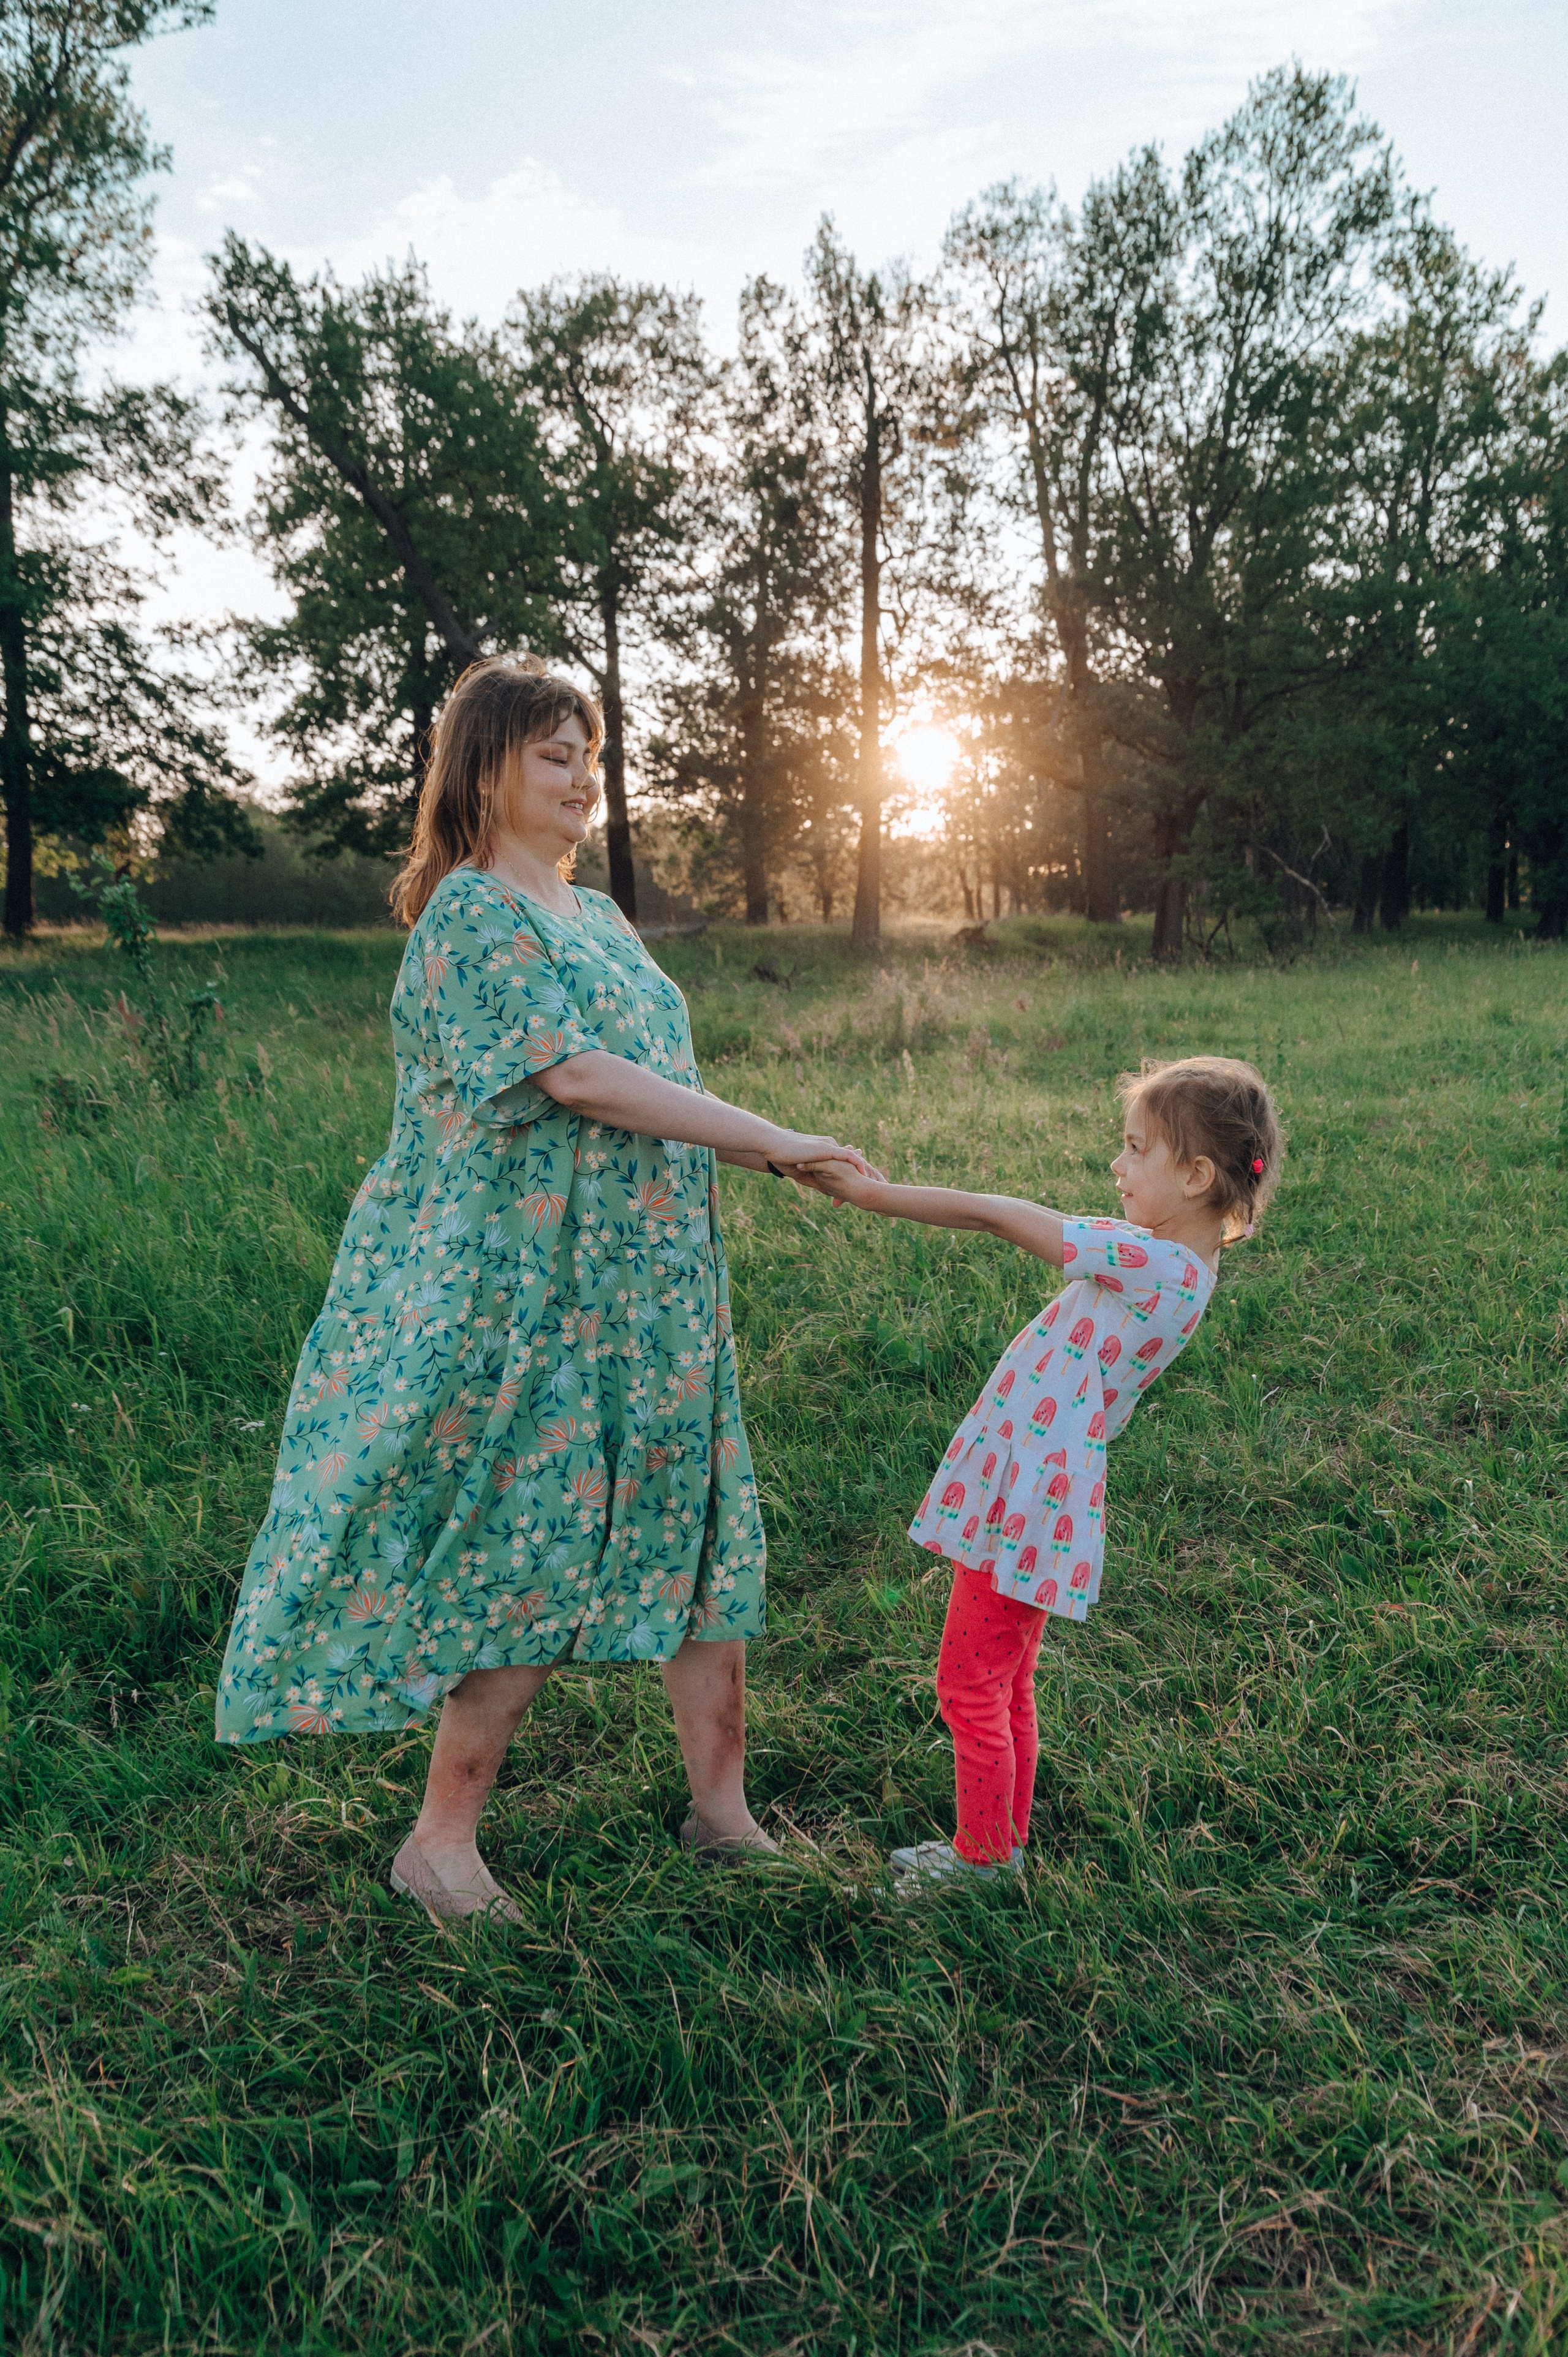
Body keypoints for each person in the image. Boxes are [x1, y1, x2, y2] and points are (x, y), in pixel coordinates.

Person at [214, 656, 876, 1919]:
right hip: (532, 1289)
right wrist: (773, 1138)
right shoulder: (470, 916)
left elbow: (653, 1081)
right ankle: (439, 1845)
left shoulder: (602, 918)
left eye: (591, 756)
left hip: (653, 1281)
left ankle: (723, 1812)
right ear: (485, 771)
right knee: (528, 1536)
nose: (584, 780)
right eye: (556, 756)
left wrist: (751, 1155)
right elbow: (571, 1076)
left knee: (695, 1521)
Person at [802, 1055, 1282, 1887]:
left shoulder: (1157, 1265)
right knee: (1006, 1681)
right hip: (1038, 1493)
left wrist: (874, 1195)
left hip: (1026, 1497)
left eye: (1137, 1149)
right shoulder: (1172, 1262)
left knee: (968, 1685)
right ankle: (1002, 1844)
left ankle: (984, 1860)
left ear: (1198, 1175)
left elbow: (997, 1216)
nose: (1116, 1164)